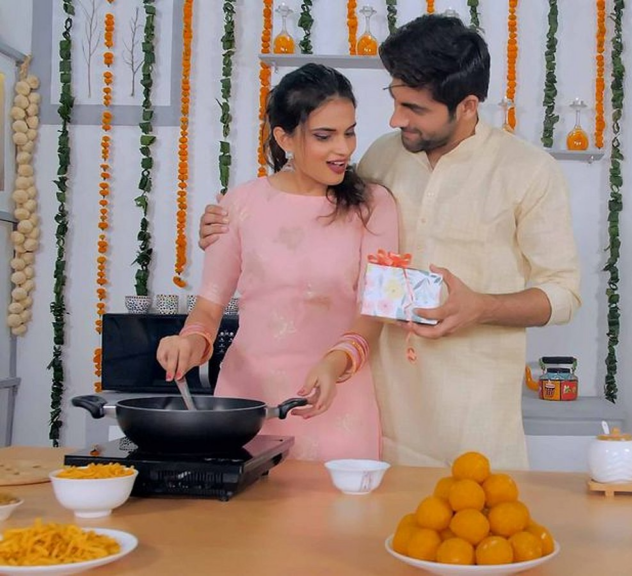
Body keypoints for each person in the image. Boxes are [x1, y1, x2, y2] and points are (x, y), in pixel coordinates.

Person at [200, 16, 580, 470]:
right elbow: (319, 220)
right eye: (395, 100)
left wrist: (481, 307)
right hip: (381, 417)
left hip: (473, 418)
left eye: (414, 108)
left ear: (466, 106)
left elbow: (564, 294)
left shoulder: (527, 171)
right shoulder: (383, 156)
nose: (396, 119)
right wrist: (230, 222)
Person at [158, 64, 398, 461]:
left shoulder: (375, 205)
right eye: (324, 136)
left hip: (338, 403)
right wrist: (188, 343)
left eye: (350, 132)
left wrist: (334, 363)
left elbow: (377, 311)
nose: (343, 149)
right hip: (247, 409)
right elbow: (209, 307)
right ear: (284, 138)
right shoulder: (240, 204)